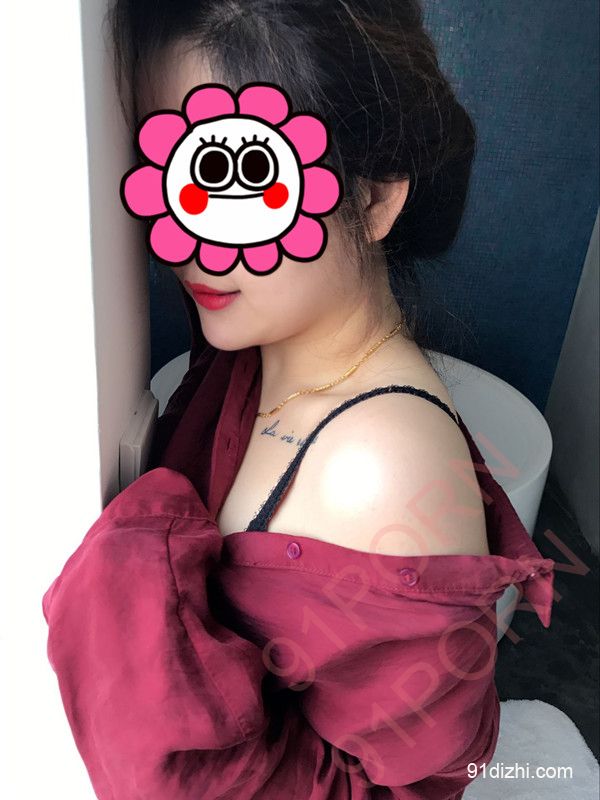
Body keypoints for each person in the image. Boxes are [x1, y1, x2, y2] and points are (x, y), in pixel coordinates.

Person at [41, 2, 556, 798]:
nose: (190, 238)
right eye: (169, 170)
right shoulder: (252, 349)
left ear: (374, 197)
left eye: (248, 180)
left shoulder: (374, 464)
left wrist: (126, 600)